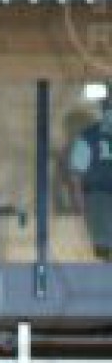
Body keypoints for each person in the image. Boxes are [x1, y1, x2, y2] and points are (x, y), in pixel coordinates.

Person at [67, 95, 112, 260]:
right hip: (99, 197)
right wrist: (80, 205)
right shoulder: (89, 136)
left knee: (103, 250)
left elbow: (75, 175)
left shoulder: (89, 135)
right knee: (103, 249)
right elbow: (75, 175)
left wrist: (80, 205)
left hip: (98, 198)